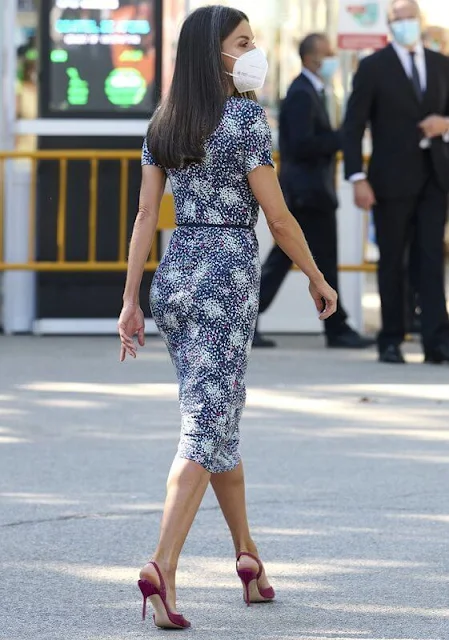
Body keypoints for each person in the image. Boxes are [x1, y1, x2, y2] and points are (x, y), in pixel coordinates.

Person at [117, 5, 337, 630]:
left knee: (216, 418)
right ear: (216, 51)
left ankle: (250, 559)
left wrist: (132, 301)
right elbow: (279, 218)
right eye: (243, 42)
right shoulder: (244, 119)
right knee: (205, 426)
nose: (253, 50)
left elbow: (143, 219)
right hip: (223, 279)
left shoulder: (164, 122)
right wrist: (318, 278)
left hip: (176, 279)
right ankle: (162, 567)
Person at [343, 0, 449, 364]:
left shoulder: (441, 64)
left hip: (435, 178)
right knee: (392, 260)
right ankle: (391, 338)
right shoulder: (374, 67)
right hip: (389, 180)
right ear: (390, 24)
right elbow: (354, 125)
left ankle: (437, 340)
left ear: (420, 21)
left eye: (411, 18)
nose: (407, 24)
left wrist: (444, 124)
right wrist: (357, 176)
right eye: (399, 19)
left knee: (431, 259)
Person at [253, 33, 374, 350]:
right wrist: (340, 137)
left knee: (286, 260)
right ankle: (336, 327)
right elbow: (301, 145)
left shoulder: (312, 91)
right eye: (327, 53)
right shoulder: (302, 94)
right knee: (319, 261)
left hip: (311, 192)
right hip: (308, 193)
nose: (333, 59)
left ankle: (249, 319)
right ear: (310, 58)